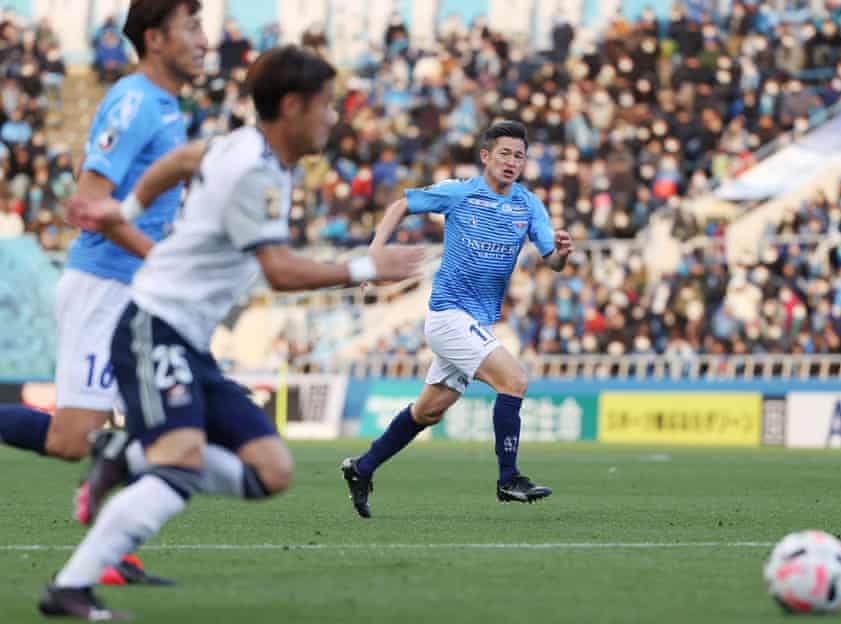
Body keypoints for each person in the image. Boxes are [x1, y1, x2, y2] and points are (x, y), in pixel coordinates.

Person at [37, 44, 423, 620]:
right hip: (153, 329)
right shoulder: (254, 172)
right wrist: (367, 268)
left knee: (272, 471)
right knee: (181, 464)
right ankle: (71, 586)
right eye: (325, 106)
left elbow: (185, 159)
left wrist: (130, 205)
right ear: (292, 107)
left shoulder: (242, 146)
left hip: (185, 339)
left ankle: (127, 455)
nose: (333, 118)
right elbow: (278, 270)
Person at [0, 0, 208, 585]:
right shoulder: (137, 101)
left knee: (156, 423)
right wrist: (159, 257)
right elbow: (88, 205)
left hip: (135, 291)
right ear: (155, 38)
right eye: (190, 27)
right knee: (72, 439)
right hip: (103, 289)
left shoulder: (168, 107)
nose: (202, 38)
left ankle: (115, 552)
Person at [341, 120, 574, 518]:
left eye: (519, 155)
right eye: (504, 153)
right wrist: (373, 256)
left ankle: (362, 468)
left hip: (475, 324)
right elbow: (401, 205)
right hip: (448, 316)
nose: (512, 161)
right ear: (485, 156)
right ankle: (508, 479)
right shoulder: (460, 193)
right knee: (514, 379)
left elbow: (551, 260)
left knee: (428, 411)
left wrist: (562, 254)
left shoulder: (528, 204)